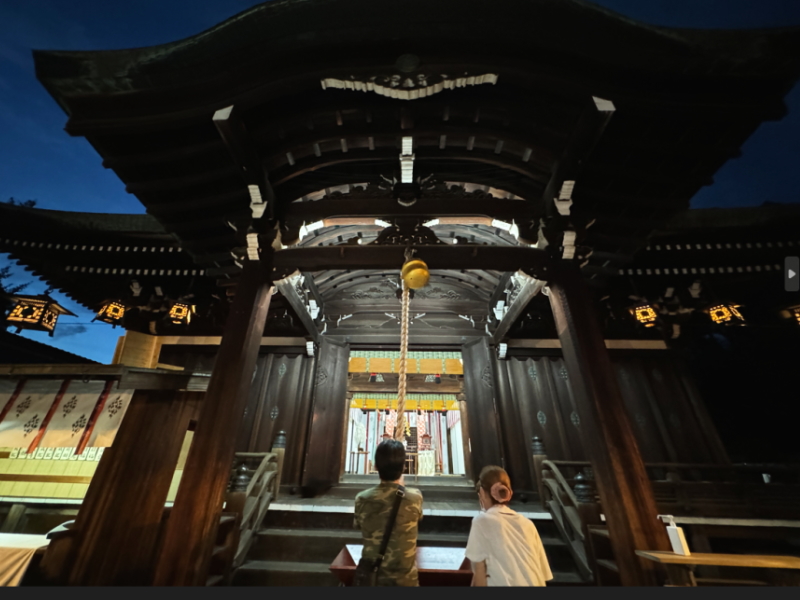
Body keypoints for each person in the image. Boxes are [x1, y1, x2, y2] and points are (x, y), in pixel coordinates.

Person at [466, 465, 553, 586]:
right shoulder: (527, 523)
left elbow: (479, 574)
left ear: (482, 493)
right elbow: (542, 574)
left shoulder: (481, 521)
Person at [354, 439, 424, 586]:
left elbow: (359, 524)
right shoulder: (414, 497)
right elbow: (418, 518)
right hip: (405, 581)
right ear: (404, 467)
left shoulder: (362, 499)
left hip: (374, 580)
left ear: (375, 466)